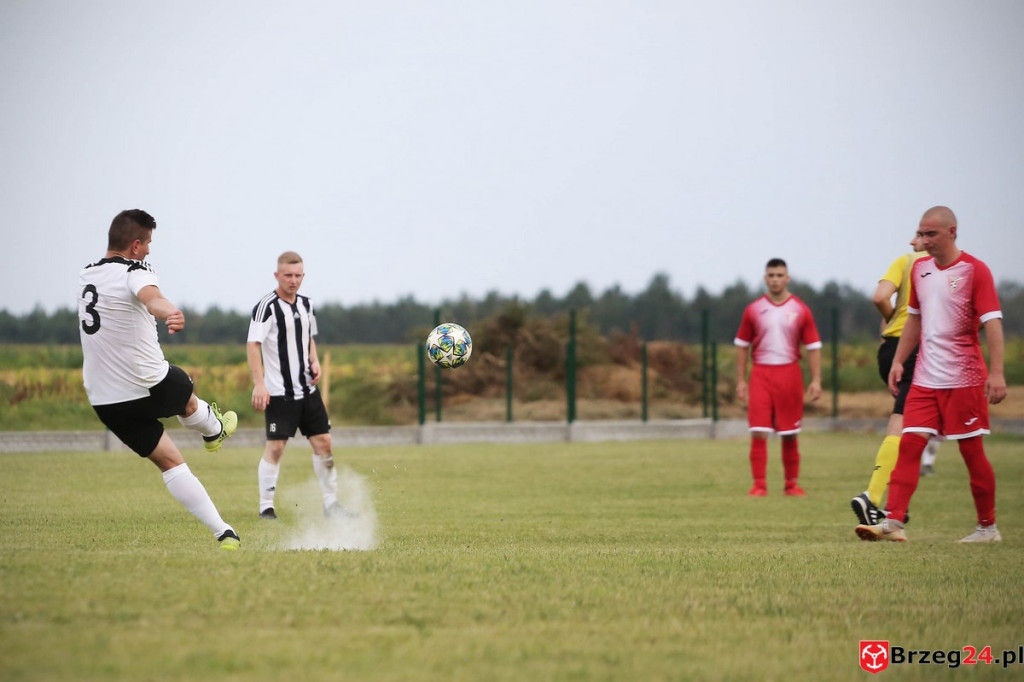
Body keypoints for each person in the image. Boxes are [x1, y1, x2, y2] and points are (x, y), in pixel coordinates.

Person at [78, 209, 240, 549]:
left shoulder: (86, 275)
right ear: (136, 245)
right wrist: (170, 311)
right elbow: (151, 298)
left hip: (106, 400)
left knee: (170, 463)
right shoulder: (135, 270)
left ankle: (224, 532)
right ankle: (214, 430)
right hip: (148, 382)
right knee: (185, 389)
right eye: (148, 243)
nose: (150, 250)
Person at [856, 206, 1007, 543]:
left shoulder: (975, 270)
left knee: (971, 452)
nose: (923, 241)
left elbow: (993, 323)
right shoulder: (920, 269)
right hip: (925, 376)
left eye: (931, 235)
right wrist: (898, 361)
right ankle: (894, 521)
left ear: (952, 232)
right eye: (920, 234)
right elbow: (914, 319)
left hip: (964, 378)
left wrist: (996, 373)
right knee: (909, 445)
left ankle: (987, 527)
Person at [247, 251, 348, 520]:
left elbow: (308, 338)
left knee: (324, 443)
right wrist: (259, 384)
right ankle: (266, 506)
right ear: (277, 275)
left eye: (298, 275)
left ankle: (331, 504)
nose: (293, 281)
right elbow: (253, 344)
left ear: (303, 275)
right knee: (276, 447)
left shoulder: (307, 304)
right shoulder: (265, 306)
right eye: (288, 275)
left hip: (308, 391)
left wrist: (315, 361)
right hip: (280, 394)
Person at [850, 234, 941, 525]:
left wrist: (891, 320)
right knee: (905, 424)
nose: (913, 239)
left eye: (920, 233)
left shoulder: (904, 262)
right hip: (919, 348)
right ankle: (873, 498)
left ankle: (894, 509)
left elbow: (880, 297)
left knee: (913, 425)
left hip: (890, 349)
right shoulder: (949, 267)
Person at [735, 258, 823, 496]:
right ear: (765, 278)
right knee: (759, 429)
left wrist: (816, 380)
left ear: (787, 278)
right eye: (771, 275)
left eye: (779, 275)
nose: (775, 279)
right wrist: (741, 380)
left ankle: (791, 484)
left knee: (789, 432)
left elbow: (813, 346)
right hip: (761, 373)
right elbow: (742, 345)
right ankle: (759, 485)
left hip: (790, 373)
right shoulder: (753, 309)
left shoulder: (800, 309)